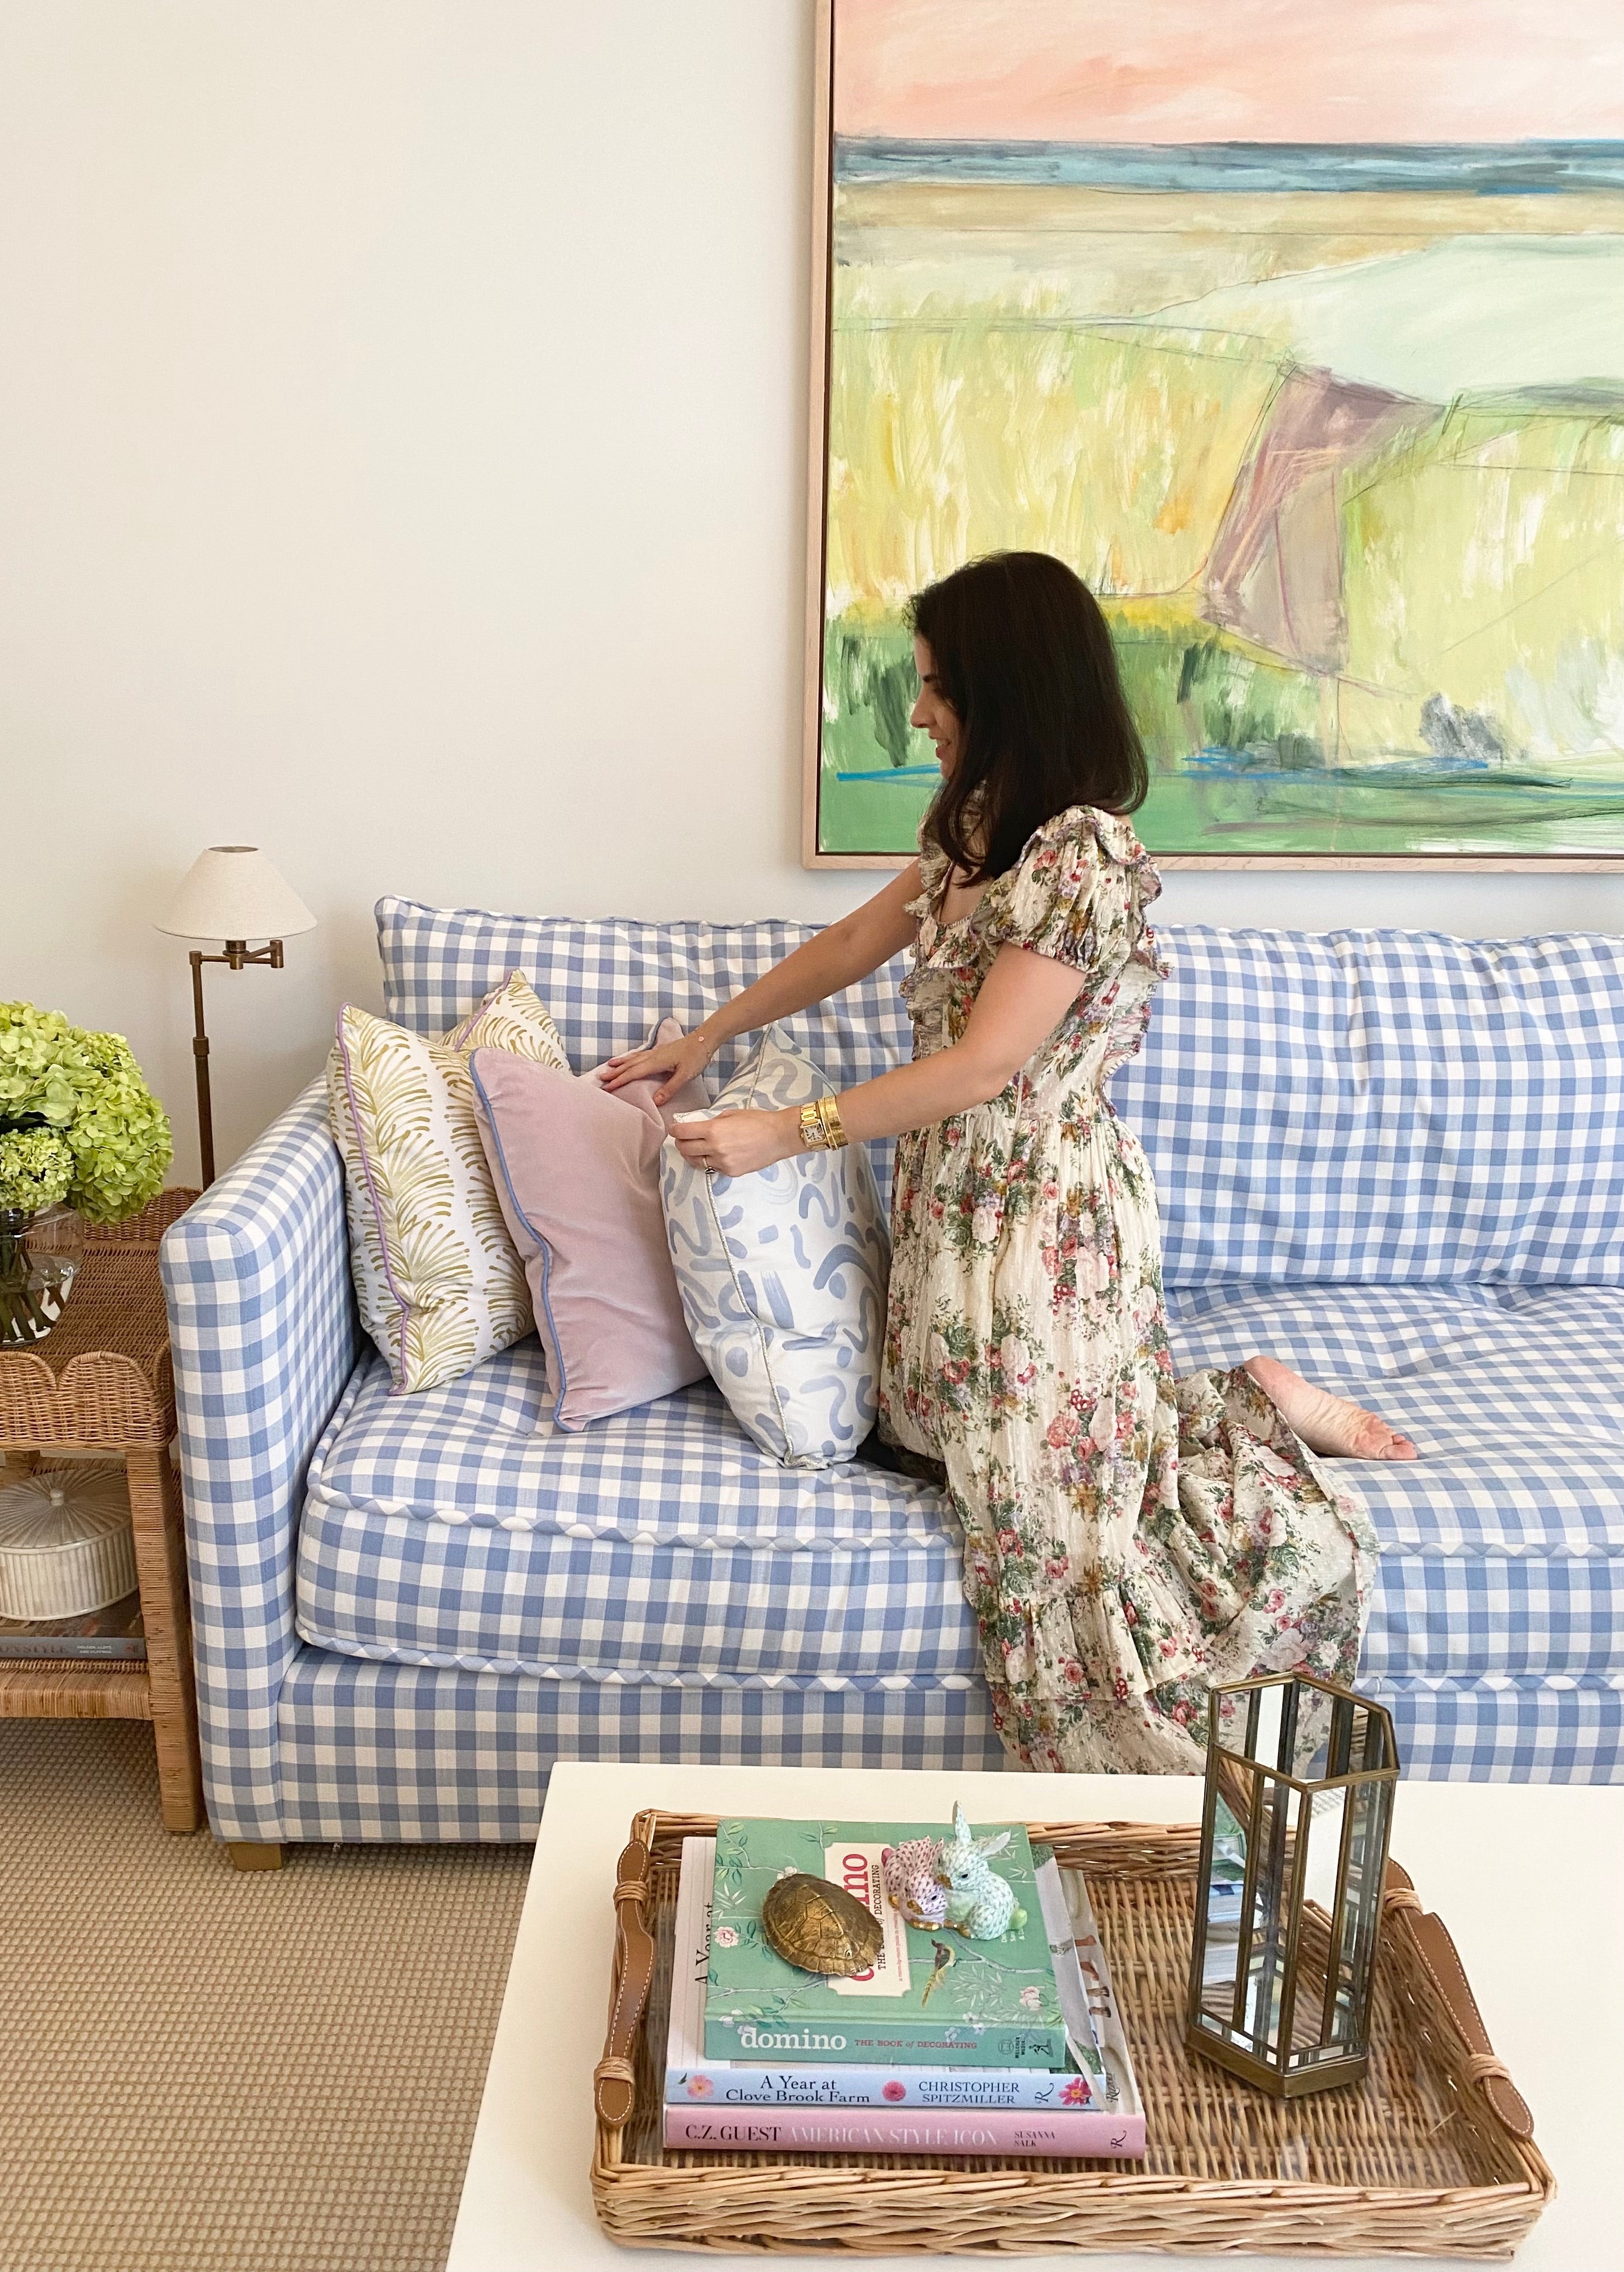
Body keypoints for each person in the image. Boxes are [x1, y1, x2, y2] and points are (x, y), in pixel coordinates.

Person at [605, 551, 1414, 1774]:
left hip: (1043, 1230)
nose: (920, 712)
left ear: (1010, 690)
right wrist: (709, 1035)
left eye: (937, 688)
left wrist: (786, 1130)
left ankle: (1249, 1416)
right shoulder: (981, 832)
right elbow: (849, 944)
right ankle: (1236, 1389)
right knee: (926, 1440)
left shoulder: (1085, 861)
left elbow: (984, 1069)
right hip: (955, 1216)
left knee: (1064, 1550)